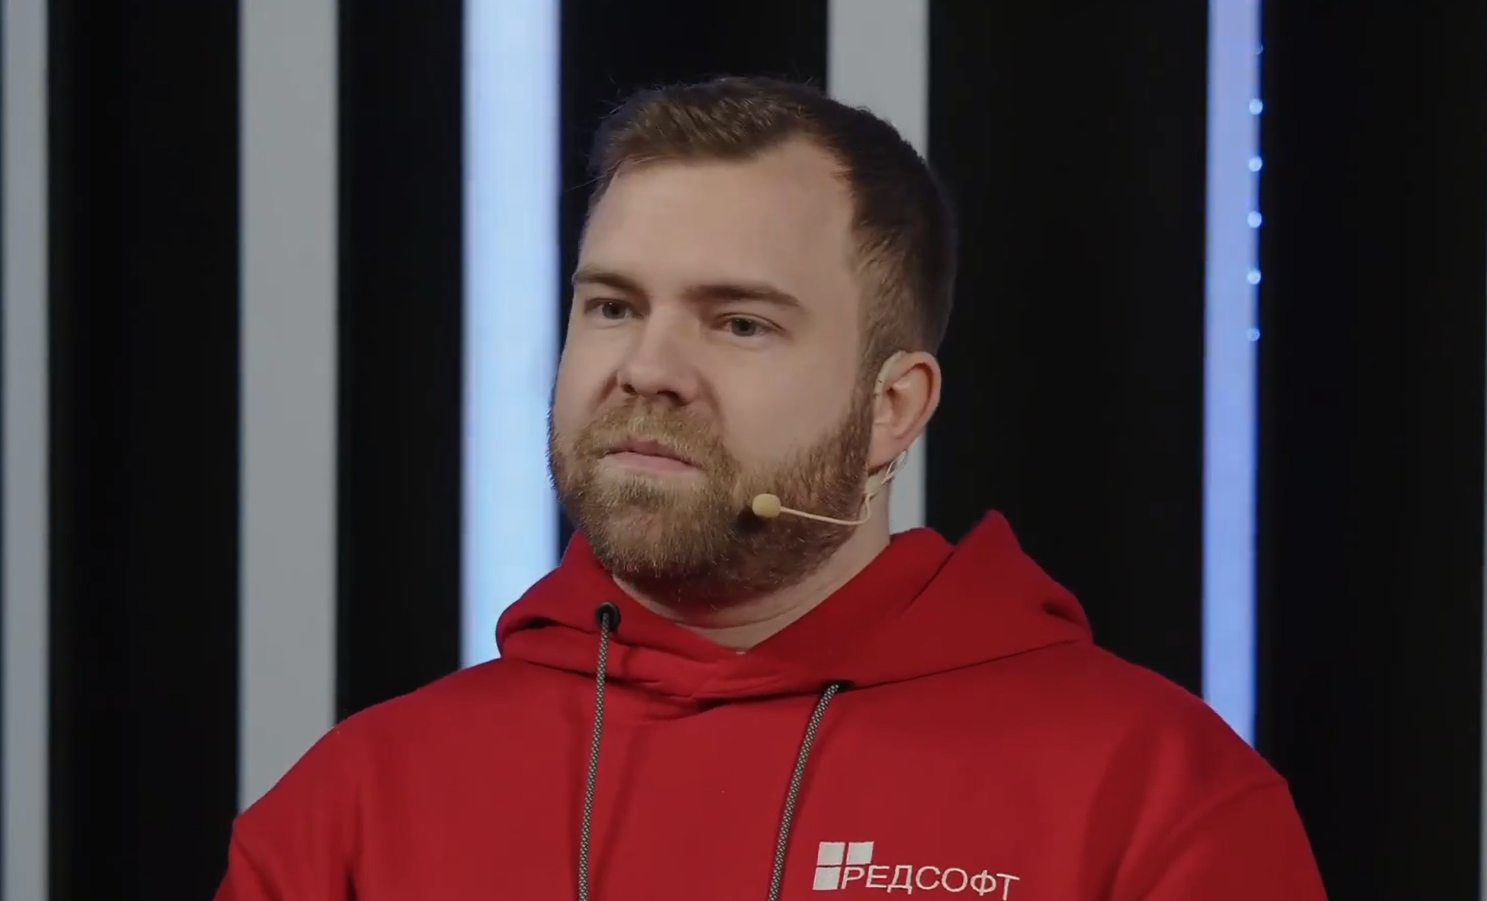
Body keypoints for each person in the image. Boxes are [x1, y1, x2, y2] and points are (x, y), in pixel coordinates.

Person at [214, 76, 1326, 900]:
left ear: (892, 407)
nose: (646, 367)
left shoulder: (1154, 796)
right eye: (612, 306)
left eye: (738, 322)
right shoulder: (356, 801)